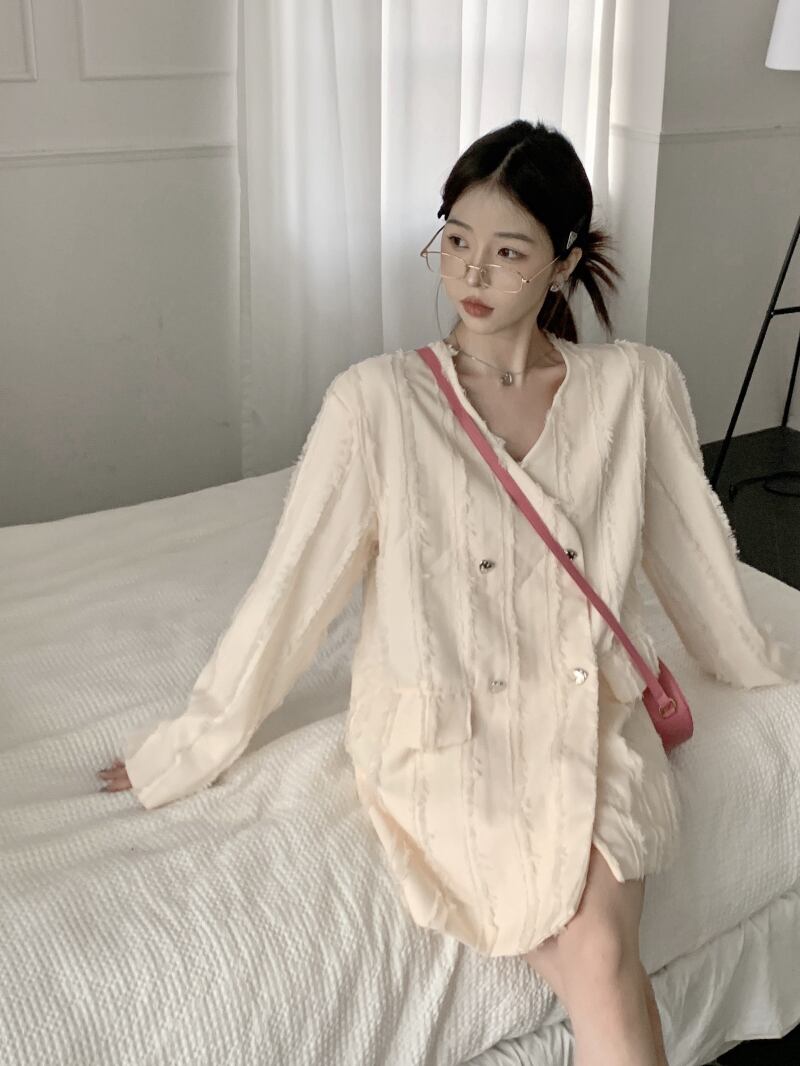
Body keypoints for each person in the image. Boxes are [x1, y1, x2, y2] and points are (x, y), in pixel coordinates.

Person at [98, 119, 800, 1066]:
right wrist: (190, 744)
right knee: (599, 955)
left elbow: (694, 556)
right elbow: (290, 591)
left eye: (508, 251)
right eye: (456, 240)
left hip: (591, 715)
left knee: (597, 948)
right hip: (445, 726)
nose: (472, 272)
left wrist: (758, 661)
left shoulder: (635, 386)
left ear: (563, 263)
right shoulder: (377, 402)